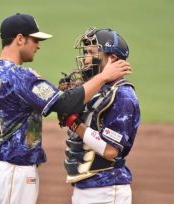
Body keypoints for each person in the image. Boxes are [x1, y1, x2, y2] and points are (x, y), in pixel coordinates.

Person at [0, 13, 131, 204]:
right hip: (14, 171)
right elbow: (65, 104)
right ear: (20, 39)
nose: (38, 45)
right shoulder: (21, 78)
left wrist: (4, 127)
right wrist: (102, 77)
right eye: (35, 40)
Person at [59, 27, 141, 204]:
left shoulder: (123, 96)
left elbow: (111, 150)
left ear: (112, 58)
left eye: (91, 53)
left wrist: (73, 122)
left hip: (107, 190)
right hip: (86, 186)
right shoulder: (94, 90)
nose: (86, 59)